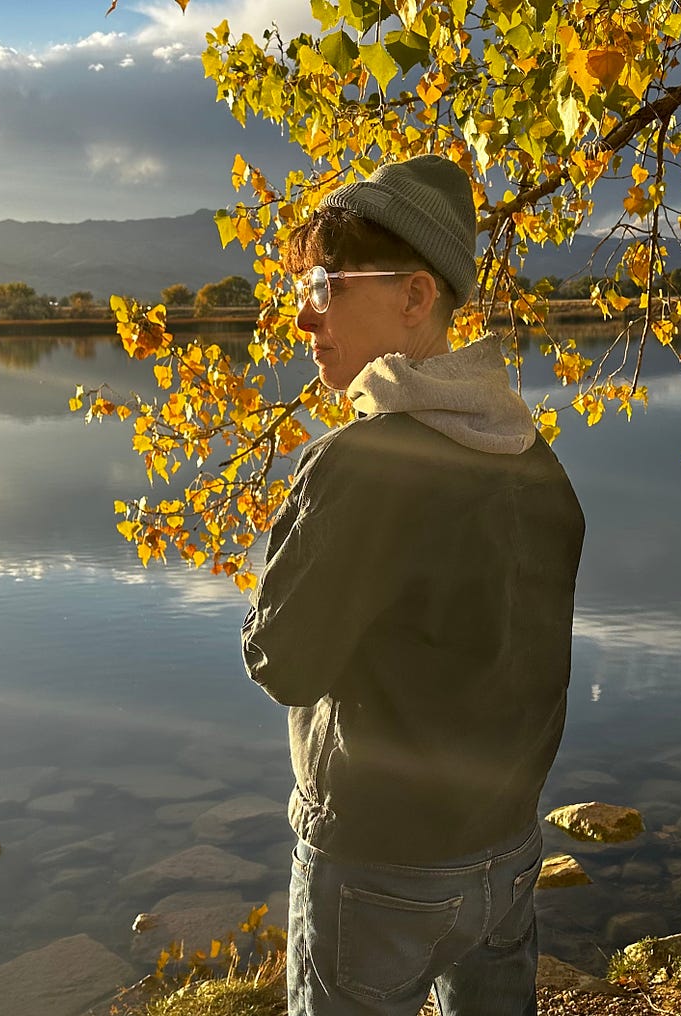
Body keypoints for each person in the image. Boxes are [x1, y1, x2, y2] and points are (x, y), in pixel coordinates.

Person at [240, 154, 586, 1016]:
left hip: (377, 864)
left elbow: (282, 662)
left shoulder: (357, 466)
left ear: (415, 297)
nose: (302, 315)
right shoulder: (534, 458)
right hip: (504, 851)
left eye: (324, 284)